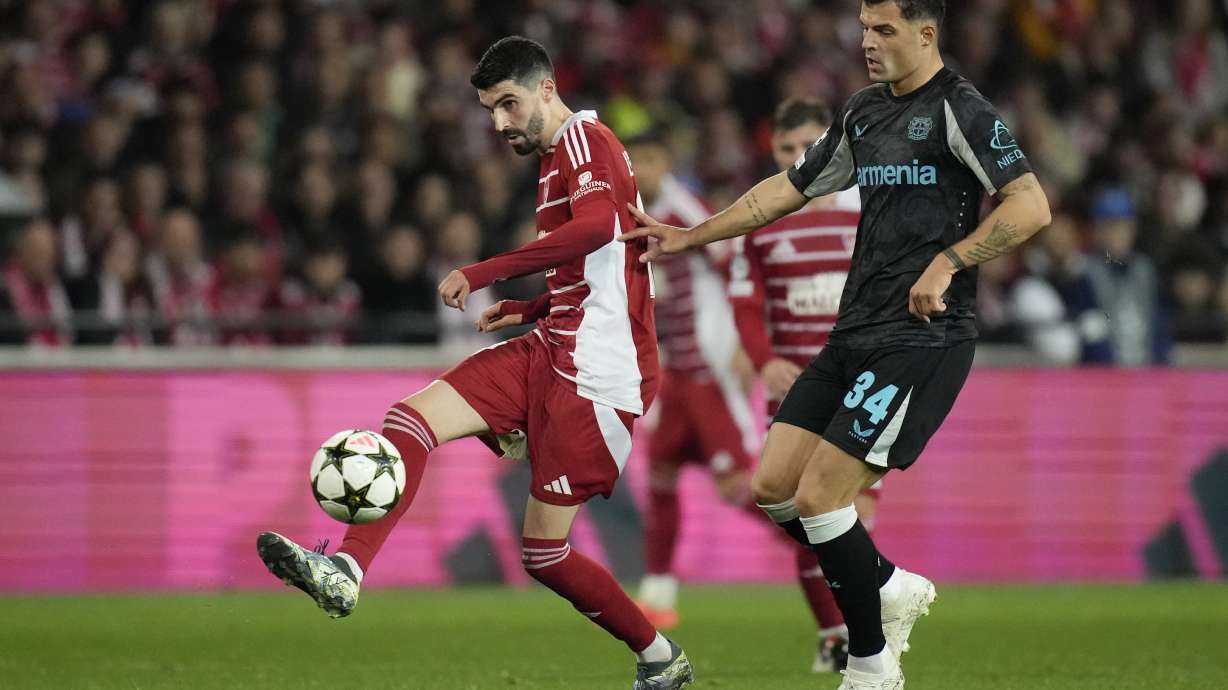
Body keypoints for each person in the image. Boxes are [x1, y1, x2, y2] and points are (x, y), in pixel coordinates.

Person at [620, 2, 1052, 688]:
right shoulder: (862, 112)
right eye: (863, 28)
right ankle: (886, 582)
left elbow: (1031, 204)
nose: (866, 41)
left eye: (882, 29)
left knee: (823, 497)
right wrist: (689, 235)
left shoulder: (961, 111)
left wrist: (949, 263)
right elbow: (783, 193)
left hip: (922, 337)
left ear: (925, 34)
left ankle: (872, 664)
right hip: (853, 332)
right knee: (773, 487)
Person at [256, 36, 693, 690]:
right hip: (555, 343)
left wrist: (486, 272)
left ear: (546, 88)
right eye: (490, 110)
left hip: (601, 372)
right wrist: (533, 307)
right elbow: (605, 267)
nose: (499, 123)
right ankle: (345, 572)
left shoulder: (584, 141)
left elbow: (601, 228)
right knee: (410, 419)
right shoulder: (553, 159)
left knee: (545, 554)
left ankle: (659, 656)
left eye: (509, 105)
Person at [726, 97, 880, 673]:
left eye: (807, 147)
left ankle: (857, 634)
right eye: (787, 150)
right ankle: (836, 631)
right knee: (802, 510)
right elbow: (745, 301)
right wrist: (764, 360)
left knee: (848, 514)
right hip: (792, 384)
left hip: (861, 379)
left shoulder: (867, 206)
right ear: (774, 152)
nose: (798, 158)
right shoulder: (761, 216)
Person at [623, 130, 758, 627]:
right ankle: (657, 596)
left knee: (739, 488)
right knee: (660, 480)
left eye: (653, 157)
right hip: (674, 373)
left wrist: (746, 343)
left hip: (711, 371)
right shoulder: (624, 214)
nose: (644, 169)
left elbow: (739, 265)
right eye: (636, 159)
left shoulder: (686, 211)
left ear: (668, 163)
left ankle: (828, 542)